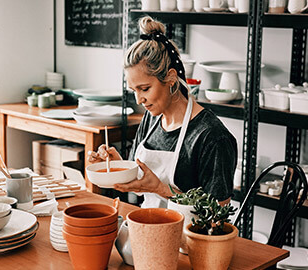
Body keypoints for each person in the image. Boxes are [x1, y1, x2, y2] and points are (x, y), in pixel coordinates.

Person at [87, 16, 237, 207]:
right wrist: (117, 167)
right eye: (134, 91)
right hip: (148, 225)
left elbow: (218, 215)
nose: (139, 100)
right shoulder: (151, 120)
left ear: (171, 78)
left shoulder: (212, 137)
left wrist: (161, 189)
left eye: (145, 89)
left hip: (190, 235)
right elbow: (141, 183)